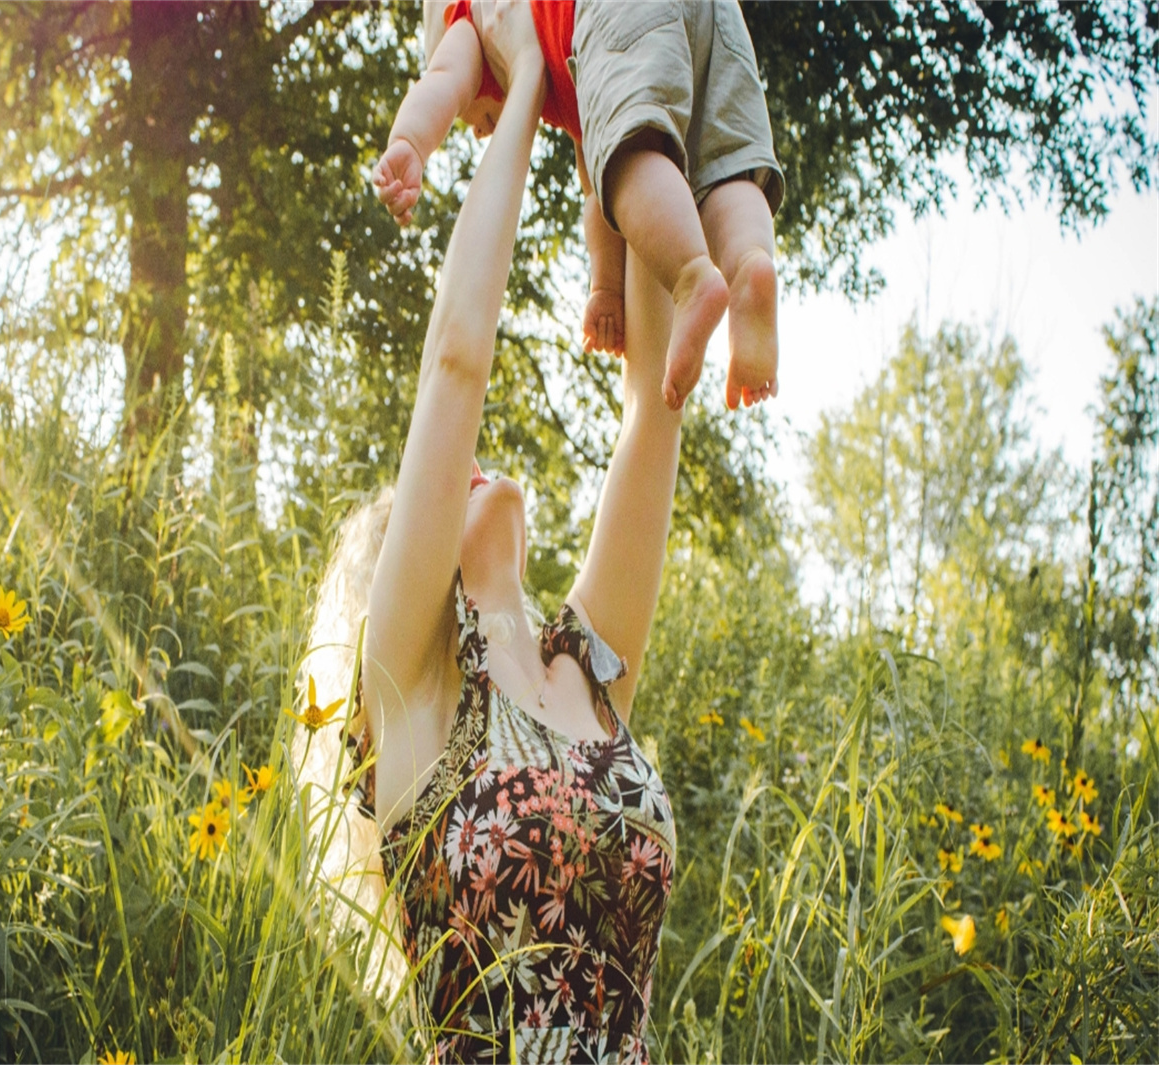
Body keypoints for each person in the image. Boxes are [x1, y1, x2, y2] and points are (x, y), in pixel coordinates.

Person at [300, 18, 683, 1062]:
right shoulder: (415, 692)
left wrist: (621, 109)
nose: (466, 465)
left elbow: (655, 409)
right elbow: (457, 363)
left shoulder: (589, 673)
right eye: (434, 486)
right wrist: (518, 95)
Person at [373, 0, 785, 413]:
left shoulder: (469, 19)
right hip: (718, 13)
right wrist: (605, 287)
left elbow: (444, 77)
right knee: (724, 164)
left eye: (471, 119)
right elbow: (595, 189)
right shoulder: (576, 69)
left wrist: (409, 142)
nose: (480, 132)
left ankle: (692, 277)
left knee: (627, 162)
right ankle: (749, 263)